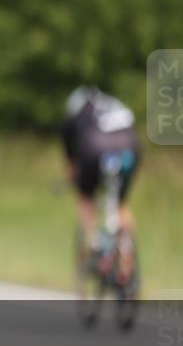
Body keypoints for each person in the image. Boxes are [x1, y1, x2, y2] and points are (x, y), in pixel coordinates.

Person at [60, 85, 141, 283]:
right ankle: (127, 262)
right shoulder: (113, 104)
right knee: (120, 201)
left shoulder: (78, 112)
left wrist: (72, 170)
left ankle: (93, 243)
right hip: (130, 149)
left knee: (86, 197)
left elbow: (67, 142)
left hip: (94, 149)